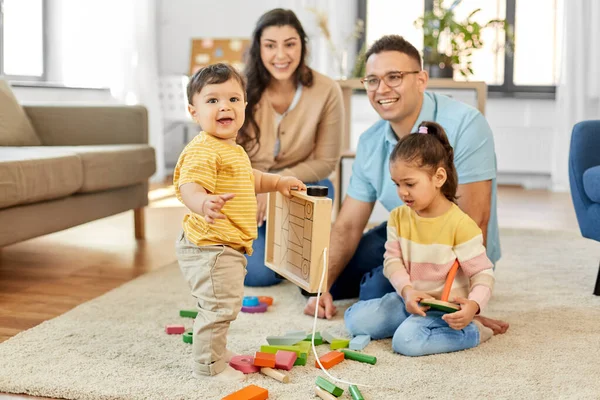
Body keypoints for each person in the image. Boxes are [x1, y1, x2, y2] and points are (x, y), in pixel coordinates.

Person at [305, 35, 509, 335]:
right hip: (406, 232)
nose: (382, 89)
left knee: (374, 291)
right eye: (372, 80)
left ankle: (394, 294)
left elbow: (475, 221)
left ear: (421, 80)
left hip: (452, 248)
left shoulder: (467, 124)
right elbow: (348, 224)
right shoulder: (370, 140)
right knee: (316, 279)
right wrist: (319, 288)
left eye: (394, 77)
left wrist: (461, 301)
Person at [173, 63, 306, 381]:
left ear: (245, 105)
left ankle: (216, 351)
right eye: (213, 100)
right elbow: (187, 186)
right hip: (211, 245)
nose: (224, 107)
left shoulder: (231, 149)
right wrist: (203, 202)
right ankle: (209, 366)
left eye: (233, 99)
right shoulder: (204, 151)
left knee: (225, 304)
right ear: (194, 111)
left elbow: (249, 179)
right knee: (219, 307)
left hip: (226, 244)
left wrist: (276, 184)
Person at [345, 121, 495, 356]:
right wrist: (407, 292)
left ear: (439, 177)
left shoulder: (461, 225)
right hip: (409, 299)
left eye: (410, 184)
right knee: (355, 320)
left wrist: (473, 306)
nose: (402, 192)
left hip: (443, 308)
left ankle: (475, 332)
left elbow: (482, 274)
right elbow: (392, 261)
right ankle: (406, 323)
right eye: (397, 184)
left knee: (406, 342)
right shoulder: (398, 217)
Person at [238, 8, 344, 287]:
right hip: (247, 189)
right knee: (258, 275)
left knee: (322, 188)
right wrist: (259, 187)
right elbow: (219, 154)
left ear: (303, 46)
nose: (281, 55)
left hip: (299, 185)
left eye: (290, 44)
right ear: (258, 48)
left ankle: (286, 252)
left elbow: (325, 161)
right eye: (270, 45)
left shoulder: (326, 90)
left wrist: (276, 184)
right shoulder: (238, 87)